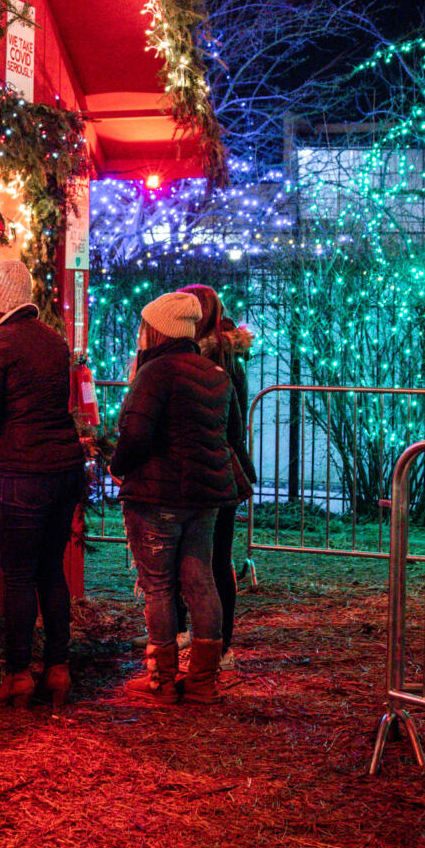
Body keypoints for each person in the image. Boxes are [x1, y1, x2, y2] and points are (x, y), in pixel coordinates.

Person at [110, 292, 254, 705]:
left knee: (157, 586)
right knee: (202, 580)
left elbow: (135, 434)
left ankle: (162, 680)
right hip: (205, 498)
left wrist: (117, 466)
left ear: (157, 329)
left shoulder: (154, 374)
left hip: (158, 497)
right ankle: (203, 681)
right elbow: (232, 437)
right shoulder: (215, 373)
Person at [0, 260, 86, 708]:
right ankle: (58, 668)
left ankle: (17, 675)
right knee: (50, 569)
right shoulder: (53, 340)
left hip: (23, 473)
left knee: (18, 576)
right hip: (65, 469)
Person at [178, 284, 255, 669]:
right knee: (201, 555)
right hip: (216, 467)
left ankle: (219, 642)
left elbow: (232, 424)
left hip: (215, 467)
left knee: (214, 557)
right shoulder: (218, 359)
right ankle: (197, 635)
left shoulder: (220, 362)